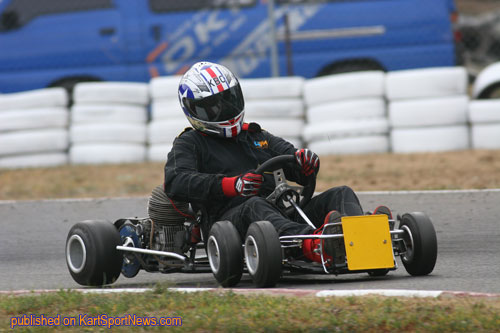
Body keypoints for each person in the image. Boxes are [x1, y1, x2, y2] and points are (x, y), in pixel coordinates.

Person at [163, 61, 371, 263]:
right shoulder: (191, 142)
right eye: (214, 105)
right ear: (194, 109)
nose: (225, 108)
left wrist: (305, 163)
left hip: (283, 212)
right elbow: (176, 181)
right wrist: (232, 185)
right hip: (229, 222)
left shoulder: (255, 136)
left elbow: (292, 160)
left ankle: (363, 241)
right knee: (255, 204)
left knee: (341, 193)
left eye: (228, 99)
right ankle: (313, 245)